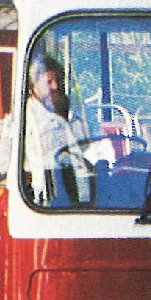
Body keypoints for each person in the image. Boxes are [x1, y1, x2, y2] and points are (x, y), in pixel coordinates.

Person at [21, 53, 94, 206]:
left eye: (58, 81)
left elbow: (96, 144)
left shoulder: (77, 109)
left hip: (87, 188)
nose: (55, 86)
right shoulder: (23, 118)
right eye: (49, 82)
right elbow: (4, 162)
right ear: (33, 86)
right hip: (48, 197)